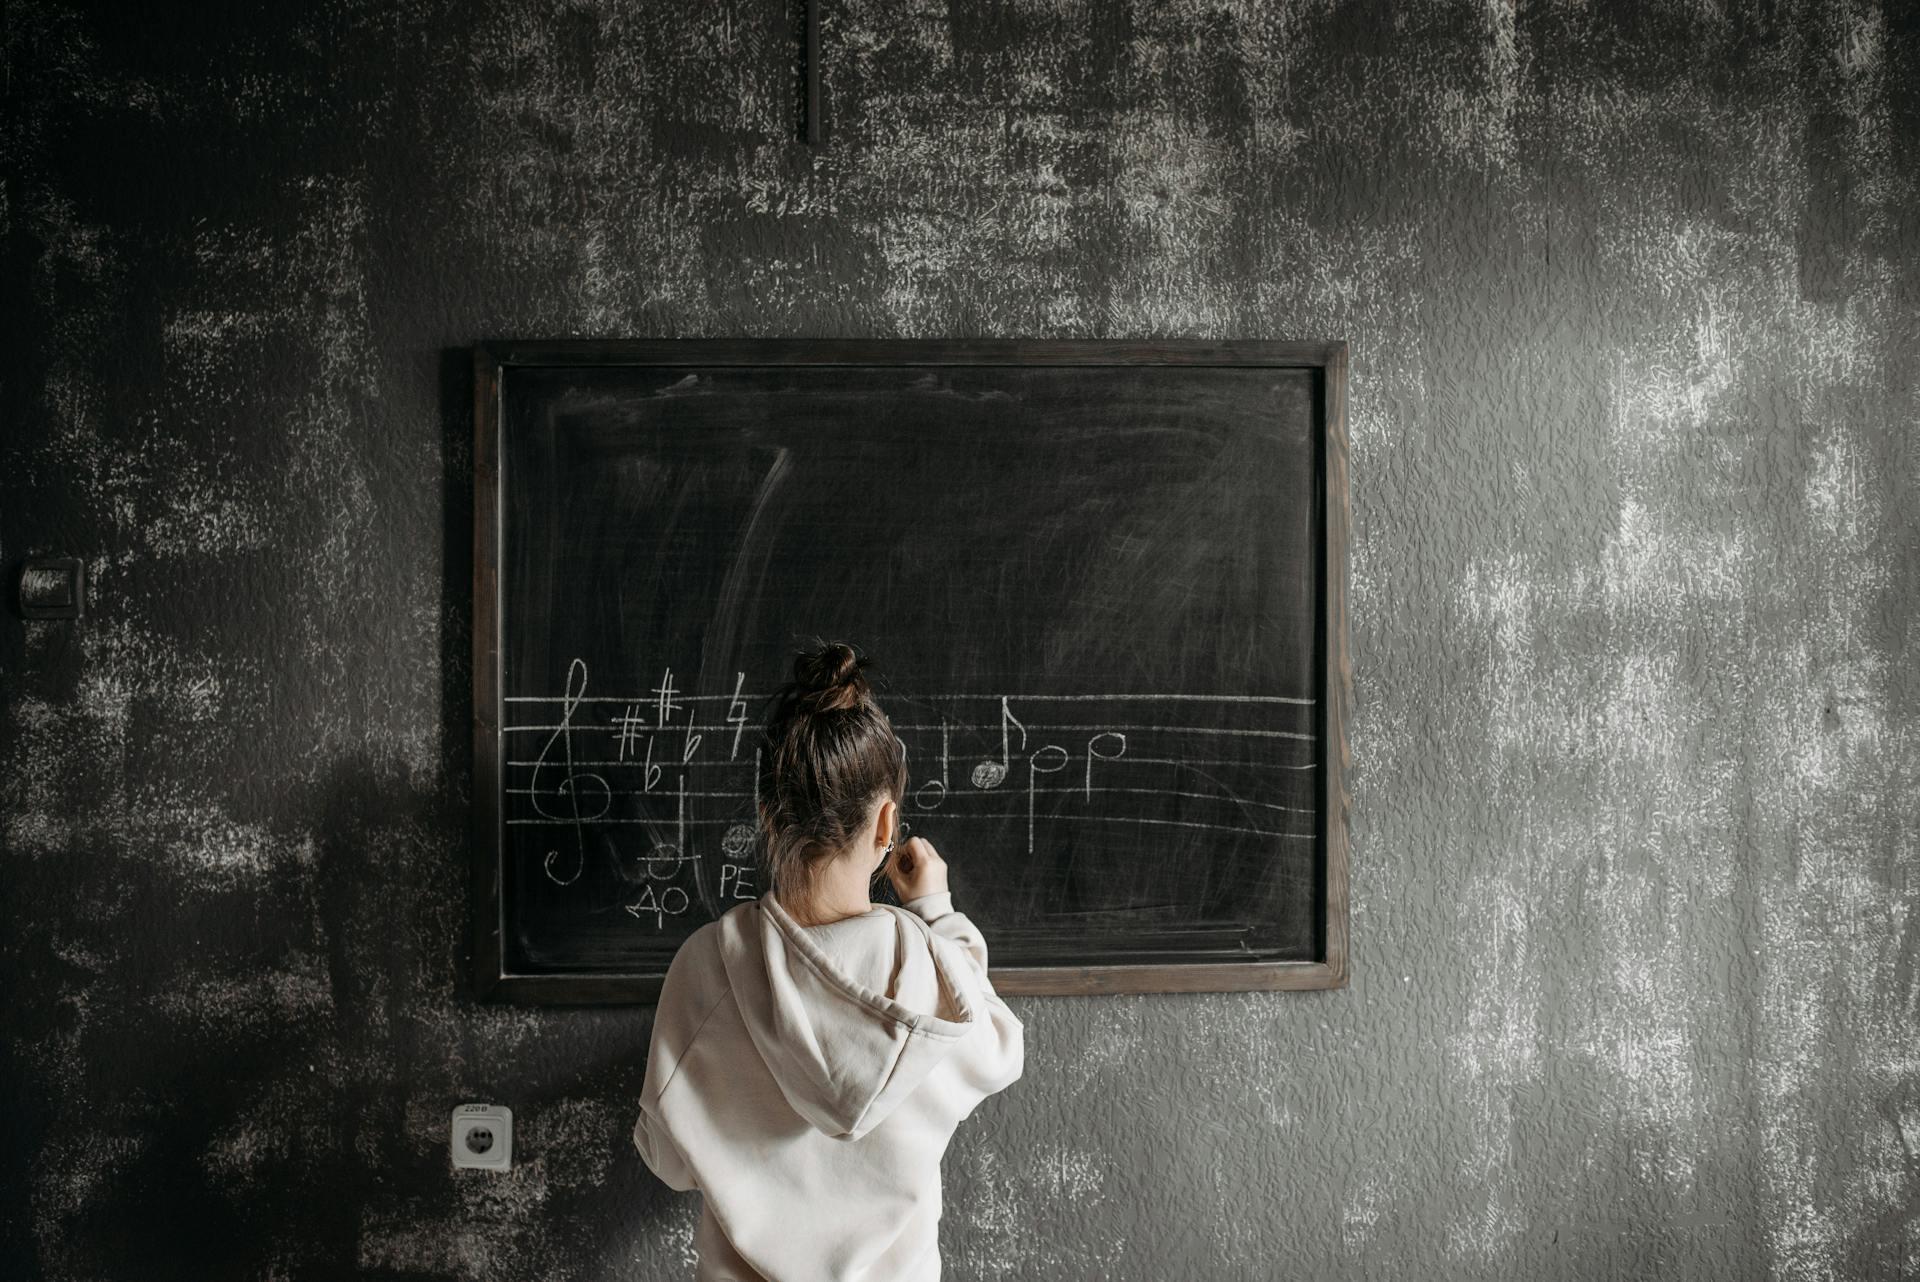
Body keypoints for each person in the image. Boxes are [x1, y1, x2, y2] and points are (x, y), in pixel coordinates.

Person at [632, 640, 1026, 1281]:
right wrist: (936, 910)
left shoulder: (706, 965)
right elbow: (999, 1047)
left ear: (767, 815)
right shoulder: (932, 969)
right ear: (886, 826)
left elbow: (668, 1161)